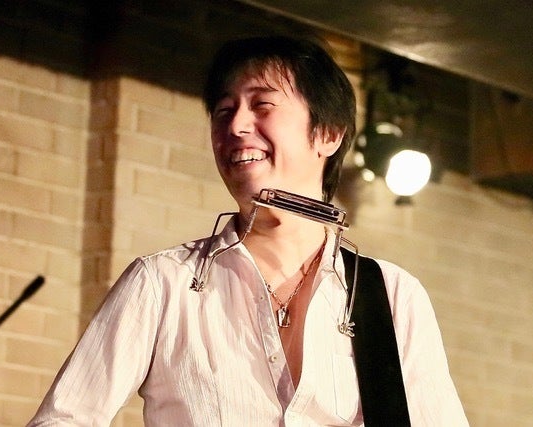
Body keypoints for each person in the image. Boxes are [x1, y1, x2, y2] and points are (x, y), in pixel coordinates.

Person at [27, 35, 468, 426]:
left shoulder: (390, 295)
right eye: (223, 110)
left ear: (328, 133)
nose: (235, 126)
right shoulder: (163, 283)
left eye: (262, 106)